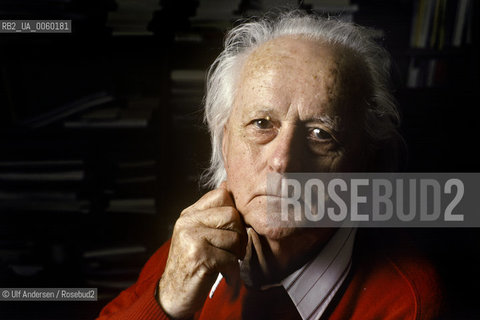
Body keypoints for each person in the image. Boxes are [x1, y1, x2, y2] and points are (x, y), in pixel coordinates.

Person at [97, 9, 443, 320]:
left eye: (321, 134)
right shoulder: (194, 243)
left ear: (366, 159)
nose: (282, 162)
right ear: (224, 139)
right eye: (262, 124)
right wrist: (167, 302)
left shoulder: (409, 304)